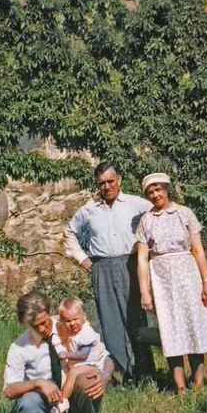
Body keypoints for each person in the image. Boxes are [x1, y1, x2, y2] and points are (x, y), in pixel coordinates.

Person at [64, 162, 156, 384]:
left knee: (136, 320)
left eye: (110, 181)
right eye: (101, 183)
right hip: (101, 268)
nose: (106, 187)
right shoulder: (88, 209)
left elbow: (159, 217)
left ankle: (145, 374)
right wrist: (84, 261)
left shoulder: (137, 204)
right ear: (97, 185)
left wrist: (152, 254)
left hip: (130, 266)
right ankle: (120, 375)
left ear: (119, 181)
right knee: (110, 323)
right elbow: (69, 233)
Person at [135, 174, 207, 392]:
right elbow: (142, 259)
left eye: (158, 189)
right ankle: (181, 388)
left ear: (167, 189)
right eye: (150, 192)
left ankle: (198, 384)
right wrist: (144, 292)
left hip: (188, 277)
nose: (155, 195)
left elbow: (198, 250)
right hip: (162, 281)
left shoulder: (184, 213)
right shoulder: (146, 221)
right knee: (170, 332)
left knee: (193, 326)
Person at [2, 291, 114, 413]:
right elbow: (9, 390)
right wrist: (38, 383)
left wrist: (105, 376)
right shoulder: (19, 347)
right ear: (26, 323)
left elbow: (105, 357)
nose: (42, 329)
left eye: (45, 322)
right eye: (36, 326)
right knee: (28, 402)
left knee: (89, 379)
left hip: (73, 397)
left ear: (49, 312)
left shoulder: (69, 324)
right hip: (47, 402)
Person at [49, 297, 110, 413]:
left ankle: (63, 402)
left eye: (75, 319)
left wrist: (65, 355)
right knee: (72, 375)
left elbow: (83, 354)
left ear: (84, 317)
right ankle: (63, 412)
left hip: (92, 364)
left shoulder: (87, 332)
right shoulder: (70, 331)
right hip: (83, 364)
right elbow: (54, 319)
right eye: (68, 321)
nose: (72, 323)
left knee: (73, 373)